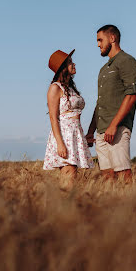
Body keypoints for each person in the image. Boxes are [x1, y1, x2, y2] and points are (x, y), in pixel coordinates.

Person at [86, 25, 136, 182]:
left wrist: (114, 125)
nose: (98, 44)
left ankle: (130, 206)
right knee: (108, 179)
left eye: (100, 40)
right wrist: (91, 131)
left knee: (123, 176)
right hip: (101, 132)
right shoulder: (104, 69)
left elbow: (131, 96)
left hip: (117, 128)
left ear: (112, 38)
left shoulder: (127, 61)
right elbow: (100, 103)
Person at [43, 49, 94, 187]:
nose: (74, 64)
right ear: (63, 68)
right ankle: (63, 205)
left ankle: (68, 206)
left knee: (73, 177)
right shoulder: (55, 88)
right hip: (64, 135)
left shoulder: (70, 88)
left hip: (75, 133)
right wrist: (60, 143)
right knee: (69, 176)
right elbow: (53, 118)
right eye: (70, 62)